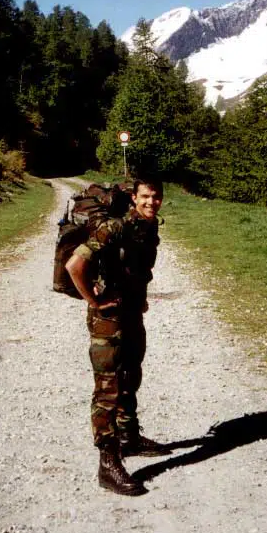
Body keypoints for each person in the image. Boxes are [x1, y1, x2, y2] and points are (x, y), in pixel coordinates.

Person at [66, 176, 171, 496]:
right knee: (108, 389)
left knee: (131, 373)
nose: (150, 202)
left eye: (155, 197)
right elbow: (75, 265)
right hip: (107, 318)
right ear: (133, 198)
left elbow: (139, 268)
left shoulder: (148, 227)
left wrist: (140, 298)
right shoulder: (115, 228)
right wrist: (95, 301)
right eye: (144, 196)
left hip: (130, 312)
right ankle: (108, 463)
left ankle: (130, 437)